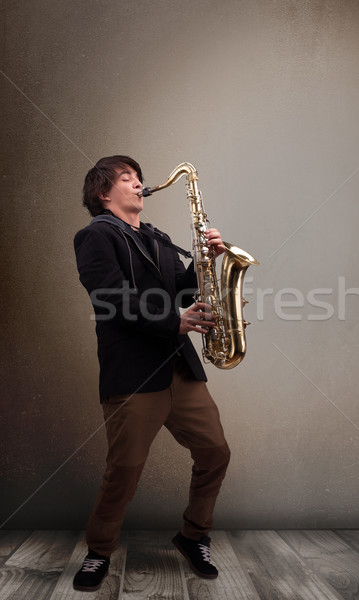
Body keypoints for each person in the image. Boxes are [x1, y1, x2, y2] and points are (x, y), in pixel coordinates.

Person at [72, 155, 231, 591]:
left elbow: (179, 289)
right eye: (127, 178)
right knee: (124, 470)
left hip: (177, 365)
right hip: (135, 371)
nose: (140, 183)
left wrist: (205, 262)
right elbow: (110, 298)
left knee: (216, 451)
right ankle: (99, 551)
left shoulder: (156, 238)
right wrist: (174, 321)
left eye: (139, 177)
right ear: (104, 193)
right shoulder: (94, 237)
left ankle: (192, 535)